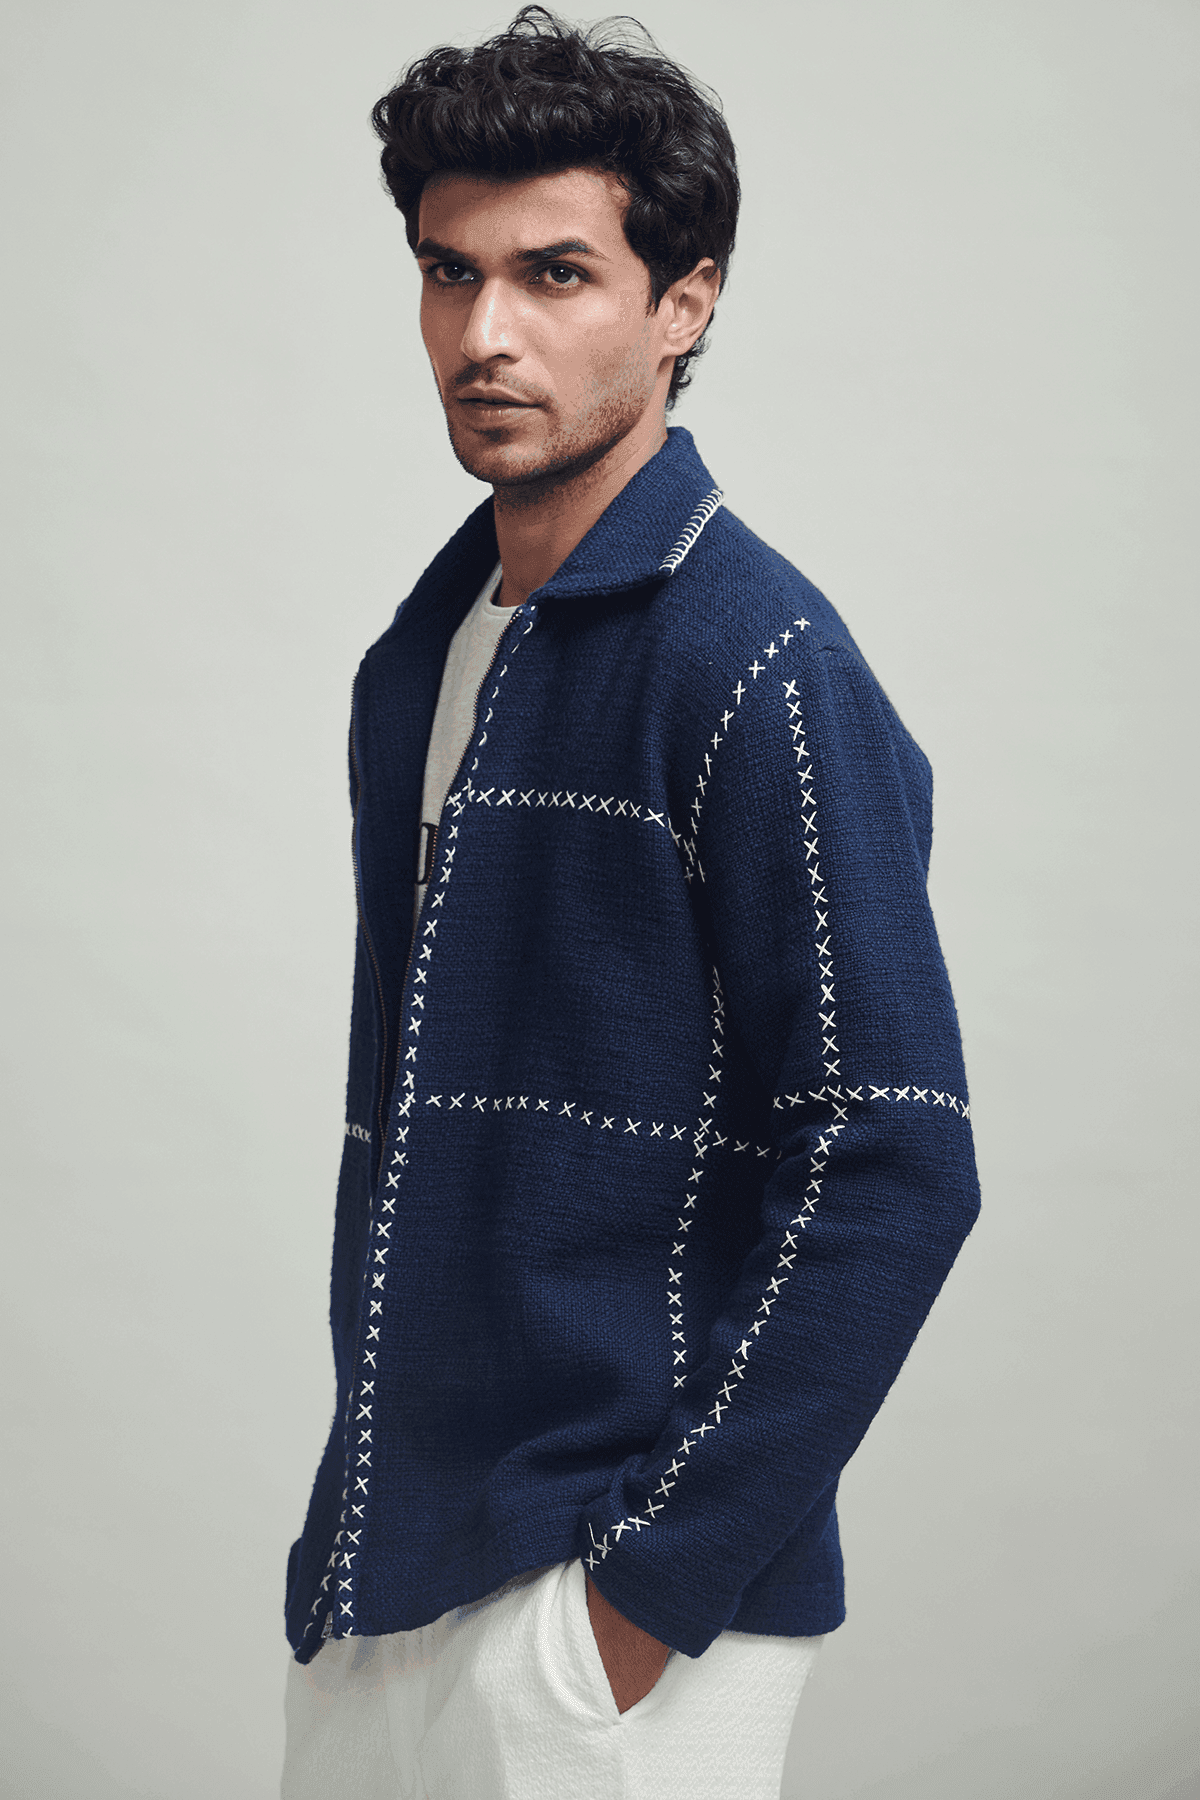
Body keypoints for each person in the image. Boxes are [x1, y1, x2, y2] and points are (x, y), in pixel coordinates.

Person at [281, 8, 981, 1796]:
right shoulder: (425, 659)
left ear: (685, 303)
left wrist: (641, 1600)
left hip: (605, 1620)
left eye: (556, 273)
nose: (484, 333)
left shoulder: (758, 663)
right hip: (385, 1575)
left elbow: (896, 1158)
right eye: (449, 271)